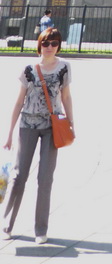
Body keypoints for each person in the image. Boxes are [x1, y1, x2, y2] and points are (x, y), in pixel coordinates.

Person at [3, 28, 74, 244]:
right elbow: (19, 101)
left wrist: (71, 122)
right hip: (27, 124)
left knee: (45, 179)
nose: (50, 47)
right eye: (46, 43)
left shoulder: (64, 67)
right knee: (18, 176)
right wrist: (9, 133)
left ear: (59, 46)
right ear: (39, 45)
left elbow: (66, 96)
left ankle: (40, 230)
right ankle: (7, 224)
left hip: (52, 126)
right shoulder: (29, 69)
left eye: (54, 43)